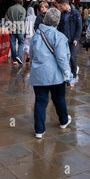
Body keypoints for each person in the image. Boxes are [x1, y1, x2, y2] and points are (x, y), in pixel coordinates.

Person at [29, 8, 73, 139]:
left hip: (39, 74)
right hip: (56, 75)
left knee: (40, 101)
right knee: (59, 99)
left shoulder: (36, 35)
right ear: (57, 22)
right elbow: (62, 59)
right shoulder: (59, 36)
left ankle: (39, 130)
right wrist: (69, 77)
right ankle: (64, 121)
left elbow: (31, 54)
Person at [57, 0, 82, 82]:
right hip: (64, 40)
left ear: (65, 5)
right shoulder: (62, 14)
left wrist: (76, 38)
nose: (60, 8)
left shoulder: (75, 13)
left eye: (61, 6)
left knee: (72, 57)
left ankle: (74, 74)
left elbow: (79, 27)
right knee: (65, 57)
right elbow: (60, 27)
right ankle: (67, 73)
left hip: (73, 39)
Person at [6, 0, 26, 65]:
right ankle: (19, 56)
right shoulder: (23, 9)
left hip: (11, 28)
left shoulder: (10, 8)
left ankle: (14, 59)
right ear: (21, 3)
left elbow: (6, 18)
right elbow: (22, 19)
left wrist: (12, 24)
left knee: (13, 43)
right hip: (20, 28)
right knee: (21, 43)